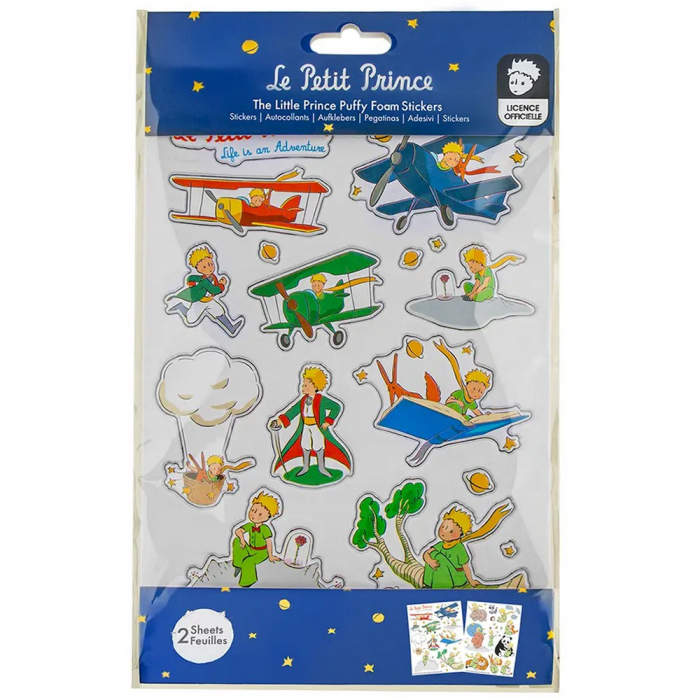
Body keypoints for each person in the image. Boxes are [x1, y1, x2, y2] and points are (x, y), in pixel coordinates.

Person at [269, 366, 351, 480]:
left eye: (306, 385)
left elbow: (336, 407)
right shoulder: (303, 400)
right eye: (303, 384)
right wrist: (279, 421)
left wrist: (328, 421)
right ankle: (305, 467)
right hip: (306, 427)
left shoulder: (321, 399)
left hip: (317, 428)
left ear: (315, 386)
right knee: (305, 446)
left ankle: (322, 468)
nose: (302, 387)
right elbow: (293, 411)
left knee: (319, 446)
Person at [165, 245, 244, 337]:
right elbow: (214, 290)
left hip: (209, 301)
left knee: (219, 311)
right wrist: (222, 284)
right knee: (191, 320)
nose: (209, 268)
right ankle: (181, 307)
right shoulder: (205, 281)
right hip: (200, 302)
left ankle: (231, 328)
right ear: (197, 268)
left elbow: (192, 277)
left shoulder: (210, 277)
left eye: (210, 264)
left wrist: (192, 282)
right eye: (204, 267)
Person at [232, 491, 281, 587]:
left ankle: (248, 581)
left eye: (260, 514)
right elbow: (238, 531)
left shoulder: (265, 529)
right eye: (253, 510)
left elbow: (269, 542)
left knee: (248, 561)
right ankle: (238, 564)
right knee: (236, 541)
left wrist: (270, 555)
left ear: (267, 517)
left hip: (261, 553)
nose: (254, 515)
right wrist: (242, 538)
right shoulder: (250, 525)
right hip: (251, 549)